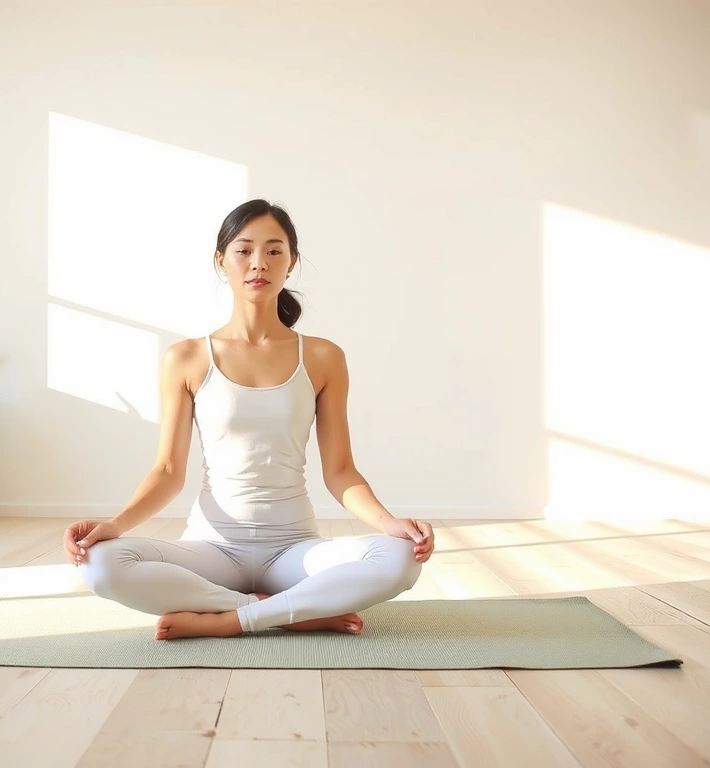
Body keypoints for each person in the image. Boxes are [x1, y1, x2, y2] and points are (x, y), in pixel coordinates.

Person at [63, 199, 435, 640]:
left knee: (400, 559)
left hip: (294, 551)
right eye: (244, 250)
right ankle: (290, 613)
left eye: (274, 251)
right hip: (212, 550)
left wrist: (390, 523)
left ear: (291, 262)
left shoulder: (322, 357)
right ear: (221, 260)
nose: (259, 262)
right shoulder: (186, 358)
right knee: (101, 565)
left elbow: (339, 471)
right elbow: (167, 471)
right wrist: (116, 525)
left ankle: (231, 619)